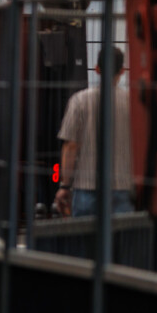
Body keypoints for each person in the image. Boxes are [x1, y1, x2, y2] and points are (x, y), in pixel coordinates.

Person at [55, 46, 134, 217]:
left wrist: (64, 186)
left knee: (85, 241)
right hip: (123, 186)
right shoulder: (132, 104)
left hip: (87, 187)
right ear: (122, 71)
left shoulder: (79, 101)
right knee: (123, 242)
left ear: (97, 69)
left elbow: (70, 146)